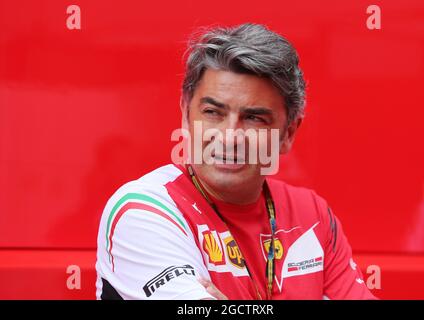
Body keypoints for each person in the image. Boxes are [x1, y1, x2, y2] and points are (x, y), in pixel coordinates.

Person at [95, 23, 375, 300]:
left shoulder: (312, 214)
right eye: (213, 112)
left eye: (254, 118)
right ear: (185, 114)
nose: (229, 138)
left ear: (288, 133)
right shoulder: (144, 210)